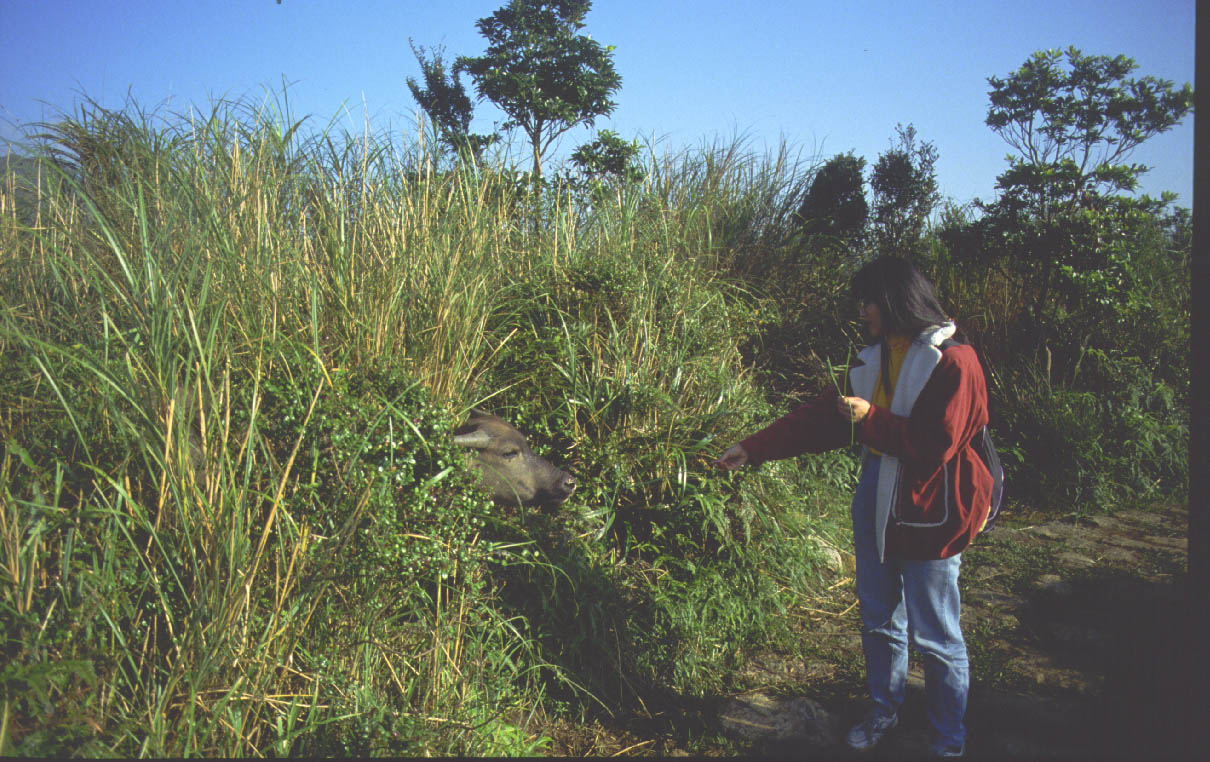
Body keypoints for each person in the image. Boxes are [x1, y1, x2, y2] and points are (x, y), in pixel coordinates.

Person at [714, 255, 991, 758]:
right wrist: (752, 449)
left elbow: (936, 445)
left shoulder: (955, 361)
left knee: (936, 632)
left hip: (933, 509)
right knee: (879, 619)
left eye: (869, 301)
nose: (863, 311)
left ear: (896, 301)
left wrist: (870, 420)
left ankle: (948, 738)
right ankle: (884, 712)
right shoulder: (875, 360)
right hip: (877, 497)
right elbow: (821, 418)